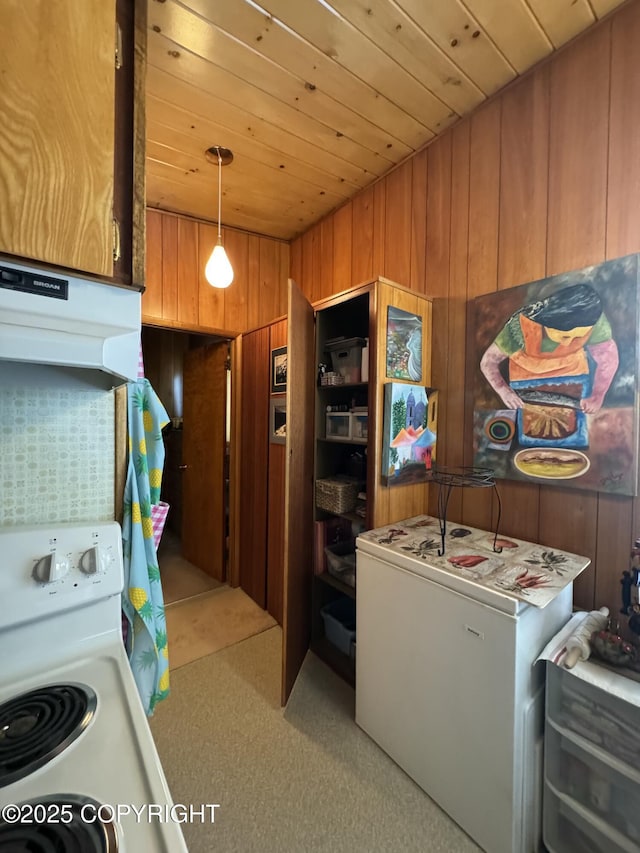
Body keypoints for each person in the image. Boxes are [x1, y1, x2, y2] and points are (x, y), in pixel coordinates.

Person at [480, 283, 619, 414]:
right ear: (546, 323)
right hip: (525, 391)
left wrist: (597, 395)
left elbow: (608, 359)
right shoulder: (520, 326)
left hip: (575, 386)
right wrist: (504, 391)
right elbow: (488, 362)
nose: (567, 343)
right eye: (564, 337)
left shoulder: (592, 318)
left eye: (578, 337)